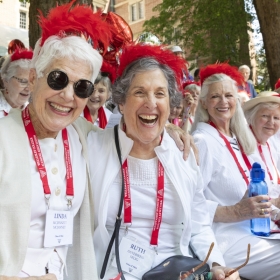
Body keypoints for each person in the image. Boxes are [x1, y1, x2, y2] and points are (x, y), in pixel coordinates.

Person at [88, 45, 240, 280]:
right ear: (121, 102)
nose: (151, 103)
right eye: (139, 92)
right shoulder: (93, 147)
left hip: (177, 271)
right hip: (112, 269)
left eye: (160, 94)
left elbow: (199, 225)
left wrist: (217, 264)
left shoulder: (184, 155)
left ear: (170, 105)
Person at [0, 2, 113, 279]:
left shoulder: (82, 135)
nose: (67, 96)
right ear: (33, 77)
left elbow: (130, 140)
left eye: (82, 86)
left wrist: (168, 133)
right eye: (58, 78)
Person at [191, 63, 280, 280]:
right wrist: (235, 212)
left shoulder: (239, 139)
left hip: (260, 231)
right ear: (203, 102)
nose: (223, 102)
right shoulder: (202, 141)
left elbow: (265, 194)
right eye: (215, 97)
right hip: (227, 240)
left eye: (229, 95)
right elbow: (191, 204)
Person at [242, 91, 280, 206]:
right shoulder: (242, 146)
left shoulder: (269, 146)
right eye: (265, 116)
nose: (271, 122)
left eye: (276, 118)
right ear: (251, 117)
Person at [0, 48, 33, 117]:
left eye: (32, 82)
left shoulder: (32, 111)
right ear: (6, 80)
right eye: (23, 81)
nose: (28, 88)